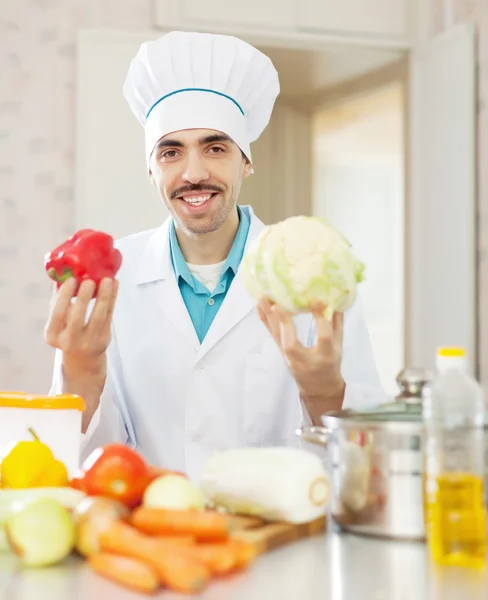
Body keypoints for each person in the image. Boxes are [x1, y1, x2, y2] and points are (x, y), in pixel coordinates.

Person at [45, 31, 387, 481]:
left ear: (246, 160)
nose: (194, 173)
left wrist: (325, 396)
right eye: (171, 152)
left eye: (215, 147)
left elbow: (369, 470)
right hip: (155, 532)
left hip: (281, 540)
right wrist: (81, 375)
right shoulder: (110, 282)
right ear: (152, 170)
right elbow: (74, 463)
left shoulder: (314, 274)